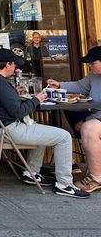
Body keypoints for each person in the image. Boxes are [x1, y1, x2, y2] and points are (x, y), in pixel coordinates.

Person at [0, 48, 89, 199]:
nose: (15, 68)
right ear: (8, 64)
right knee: (64, 137)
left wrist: (13, 93)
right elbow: (18, 112)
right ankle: (65, 184)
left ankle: (31, 173)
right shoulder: (1, 83)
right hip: (6, 130)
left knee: (41, 130)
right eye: (14, 64)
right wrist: (38, 99)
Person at [47, 45, 101, 193]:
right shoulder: (93, 76)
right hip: (97, 116)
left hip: (97, 118)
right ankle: (68, 161)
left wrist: (86, 120)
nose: (89, 65)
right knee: (68, 112)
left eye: (92, 62)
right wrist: (59, 84)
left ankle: (96, 178)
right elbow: (80, 86)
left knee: (89, 128)